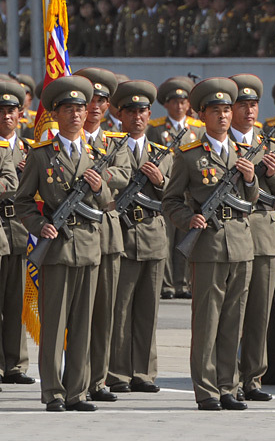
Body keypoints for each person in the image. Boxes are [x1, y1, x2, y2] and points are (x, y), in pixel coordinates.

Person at [162, 77, 258, 411]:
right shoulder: (189, 156)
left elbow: (251, 200)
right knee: (207, 320)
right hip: (208, 245)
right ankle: (205, 389)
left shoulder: (242, 153)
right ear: (202, 116)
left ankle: (228, 386)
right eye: (215, 111)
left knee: (234, 319)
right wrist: (188, 219)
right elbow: (170, 199)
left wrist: (250, 178)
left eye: (227, 110)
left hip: (241, 245)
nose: (223, 116)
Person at [14, 75, 110, 411]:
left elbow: (108, 203)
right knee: (54, 325)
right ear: (56, 114)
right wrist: (40, 225)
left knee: (83, 324)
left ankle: (77, 391)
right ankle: (53, 392)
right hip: (55, 248)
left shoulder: (96, 153)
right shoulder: (42, 154)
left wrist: (99, 188)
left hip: (88, 247)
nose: (75, 115)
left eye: (80, 109)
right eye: (68, 109)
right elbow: (23, 200)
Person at [106, 80, 171, 394]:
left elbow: (175, 195)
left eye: (142, 110)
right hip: (122, 233)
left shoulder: (162, 152)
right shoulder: (110, 149)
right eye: (130, 111)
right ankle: (117, 373)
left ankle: (144, 372)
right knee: (121, 309)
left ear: (149, 114)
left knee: (148, 309)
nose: (137, 116)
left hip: (153, 236)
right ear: (119, 115)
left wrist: (161, 181)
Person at [72, 67, 130, 403]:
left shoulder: (113, 142)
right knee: (76, 311)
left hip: (106, 231)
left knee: (105, 309)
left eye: (103, 100)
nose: (96, 106)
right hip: (74, 234)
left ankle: (98, 379)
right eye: (91, 99)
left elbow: (124, 174)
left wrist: (98, 177)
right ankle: (74, 378)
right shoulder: (64, 140)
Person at [230, 74, 275, 402]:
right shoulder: (221, 142)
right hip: (233, 232)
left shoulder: (268, 144)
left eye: (253, 105)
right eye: (243, 104)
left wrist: (273, 169)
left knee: (259, 312)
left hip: (264, 235)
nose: (250, 111)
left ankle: (253, 378)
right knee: (232, 310)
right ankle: (228, 377)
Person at [148, 76, 205, 300]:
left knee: (186, 237)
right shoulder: (156, 129)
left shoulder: (197, 129)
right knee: (167, 238)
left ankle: (183, 283)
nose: (179, 106)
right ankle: (168, 284)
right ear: (166, 104)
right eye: (174, 102)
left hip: (190, 191)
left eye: (183, 101)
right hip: (167, 187)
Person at [0, 80, 33, 387]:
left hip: (19, 229)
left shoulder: (29, 148)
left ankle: (16, 364)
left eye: (12, 111)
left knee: (15, 302)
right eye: (2, 111)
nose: (7, 117)